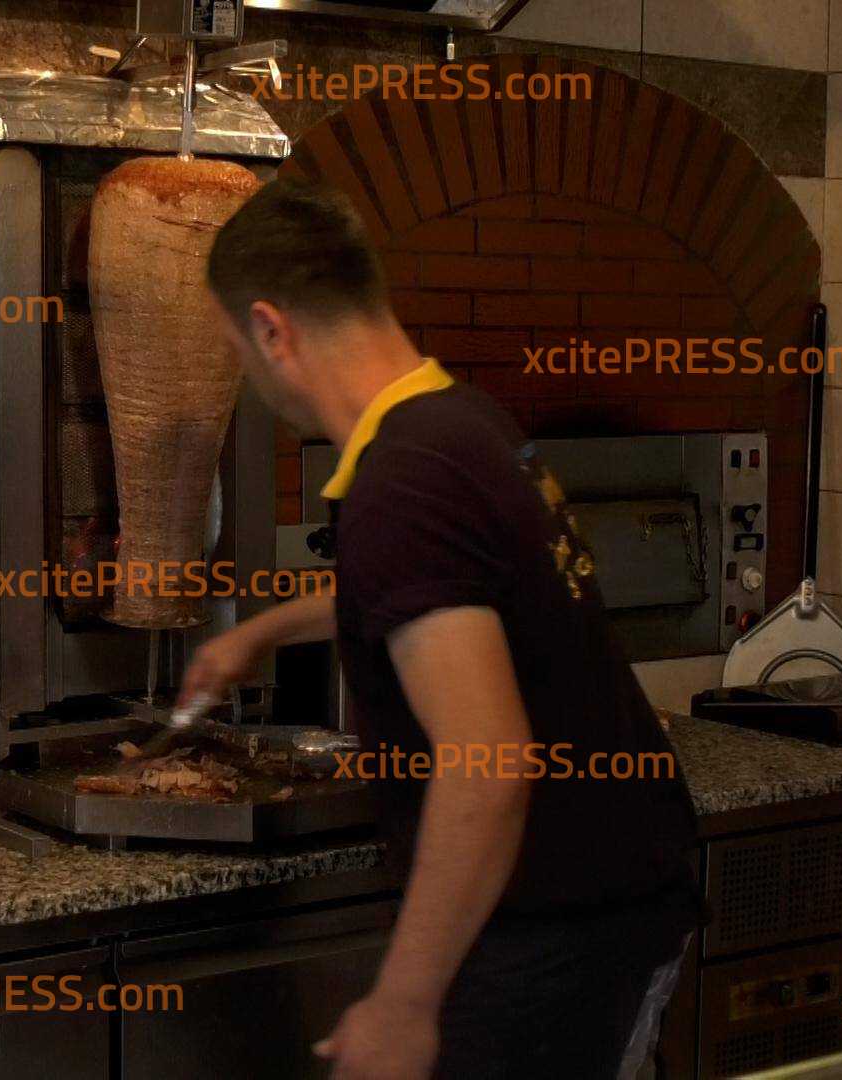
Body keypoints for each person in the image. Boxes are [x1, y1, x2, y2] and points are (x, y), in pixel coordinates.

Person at [185, 178, 701, 1080]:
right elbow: (444, 590)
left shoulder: (405, 479)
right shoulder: (456, 422)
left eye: (237, 351)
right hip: (605, 894)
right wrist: (257, 636)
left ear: (271, 330)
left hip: (558, 929)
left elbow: (489, 764)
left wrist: (403, 1002)